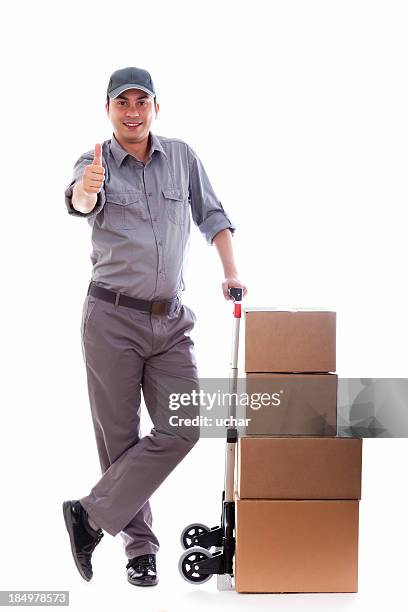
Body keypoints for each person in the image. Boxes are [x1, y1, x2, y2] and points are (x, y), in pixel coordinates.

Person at [62, 66, 247, 587]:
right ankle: (139, 549)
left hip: (170, 319)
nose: (134, 111)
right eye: (124, 103)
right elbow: (80, 200)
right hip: (111, 319)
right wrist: (85, 188)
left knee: (184, 424)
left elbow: (213, 215)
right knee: (119, 438)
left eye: (143, 102)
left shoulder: (182, 157)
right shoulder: (93, 162)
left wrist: (231, 271)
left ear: (156, 108)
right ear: (110, 110)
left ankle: (89, 515)